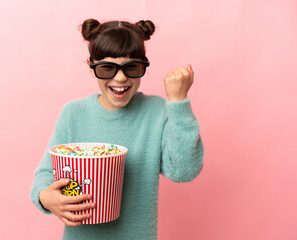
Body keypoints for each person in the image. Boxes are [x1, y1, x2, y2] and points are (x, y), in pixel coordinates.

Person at [30, 18, 204, 240]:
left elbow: (184, 171)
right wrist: (46, 197)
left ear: (143, 65)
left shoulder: (156, 112)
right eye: (107, 68)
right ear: (92, 67)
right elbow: (45, 173)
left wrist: (178, 102)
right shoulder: (73, 114)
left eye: (131, 67)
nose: (120, 77)